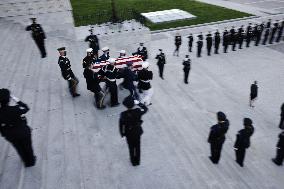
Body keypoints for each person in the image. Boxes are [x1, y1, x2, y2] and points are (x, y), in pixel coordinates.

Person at [0, 89, 36, 167]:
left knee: (19, 147)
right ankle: (31, 161)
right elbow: (26, 108)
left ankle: (25, 161)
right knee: (28, 147)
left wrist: (4, 133)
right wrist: (17, 100)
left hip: (10, 134)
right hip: (23, 132)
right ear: (8, 99)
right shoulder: (15, 109)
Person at [119, 96, 148, 166]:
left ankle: (133, 162)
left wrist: (122, 134)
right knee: (137, 147)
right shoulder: (138, 111)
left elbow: (121, 125)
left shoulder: (123, 114)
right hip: (137, 131)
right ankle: (137, 161)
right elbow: (145, 109)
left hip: (128, 133)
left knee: (131, 148)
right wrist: (138, 103)